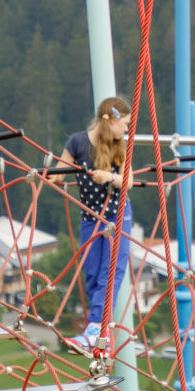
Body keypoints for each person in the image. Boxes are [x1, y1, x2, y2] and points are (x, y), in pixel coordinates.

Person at [62, 96, 134, 349]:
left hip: (116, 215)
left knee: (109, 273)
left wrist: (109, 176)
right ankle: (98, 331)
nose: (126, 129)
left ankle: (96, 328)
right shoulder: (77, 142)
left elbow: (129, 180)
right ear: (111, 120)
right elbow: (61, 170)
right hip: (90, 216)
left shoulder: (118, 145)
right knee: (91, 272)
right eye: (124, 123)